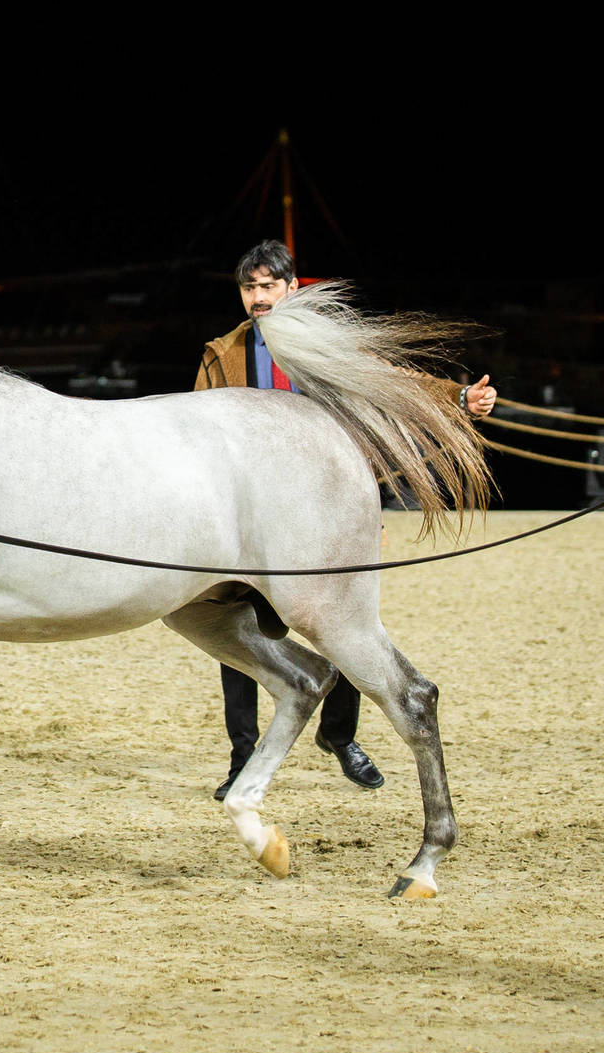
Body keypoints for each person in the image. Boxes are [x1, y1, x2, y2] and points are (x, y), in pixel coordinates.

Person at [195, 239, 496, 800]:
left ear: (292, 287)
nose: (258, 297)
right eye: (249, 287)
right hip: (248, 520)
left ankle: (340, 737)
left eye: (268, 286)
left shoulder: (323, 345)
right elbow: (195, 428)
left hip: (319, 510)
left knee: (340, 626)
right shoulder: (222, 354)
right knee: (235, 635)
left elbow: (391, 378)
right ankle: (243, 756)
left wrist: (458, 398)